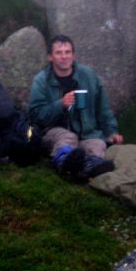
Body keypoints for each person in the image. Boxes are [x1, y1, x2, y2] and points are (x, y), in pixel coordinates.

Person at [28, 34, 124, 181]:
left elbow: (103, 108)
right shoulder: (41, 80)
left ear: (73, 55)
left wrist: (111, 132)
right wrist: (60, 104)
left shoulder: (88, 75)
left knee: (97, 143)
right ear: (50, 57)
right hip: (53, 131)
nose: (64, 57)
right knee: (68, 138)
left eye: (67, 52)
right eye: (59, 53)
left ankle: (90, 167)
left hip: (86, 131)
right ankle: (64, 163)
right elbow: (35, 116)